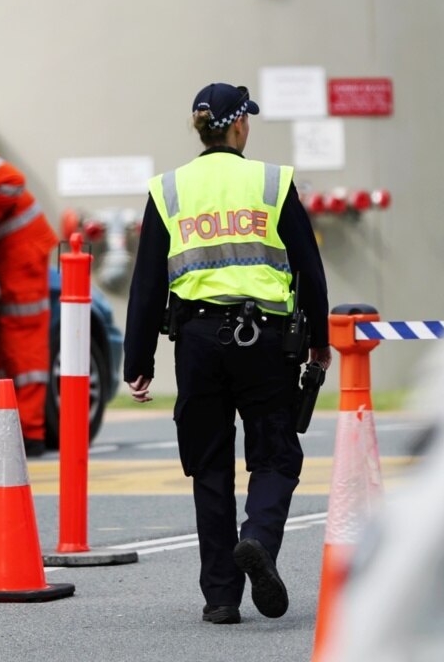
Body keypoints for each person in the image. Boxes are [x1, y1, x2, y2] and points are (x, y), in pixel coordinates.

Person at [123, 82, 331, 625]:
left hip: (196, 343)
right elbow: (309, 269)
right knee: (275, 455)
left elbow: (146, 283)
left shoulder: (168, 189)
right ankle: (258, 536)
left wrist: (137, 362)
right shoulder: (271, 182)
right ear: (238, 126)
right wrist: (320, 342)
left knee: (209, 469)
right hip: (265, 343)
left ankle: (220, 598)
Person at [0, 138, 59, 461]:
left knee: (24, 345)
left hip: (21, 251)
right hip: (5, 253)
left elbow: (10, 182)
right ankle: (6, 427)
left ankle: (31, 432)